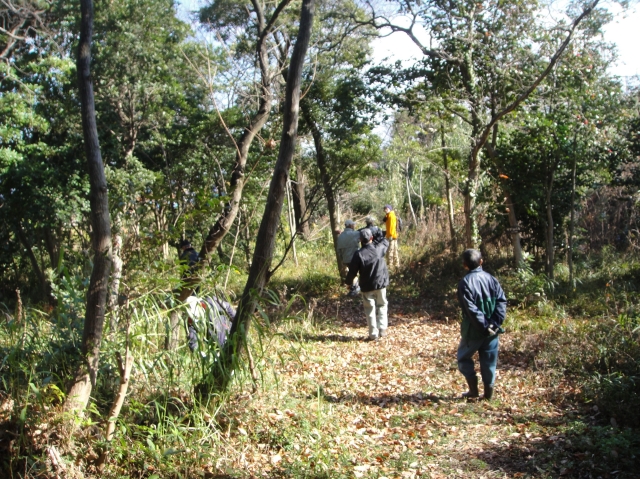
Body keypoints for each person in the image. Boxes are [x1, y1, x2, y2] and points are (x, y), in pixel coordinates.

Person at [456, 249, 507, 400]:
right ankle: (488, 394)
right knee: (489, 360)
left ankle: (474, 391)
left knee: (463, 358)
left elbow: (470, 309)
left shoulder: (465, 283)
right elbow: (502, 302)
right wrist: (494, 324)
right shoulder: (492, 279)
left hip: (473, 331)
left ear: (465, 265)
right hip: (491, 332)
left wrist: (486, 326)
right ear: (481, 262)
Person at [345, 228, 390, 341]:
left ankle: (373, 334)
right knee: (382, 305)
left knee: (369, 309)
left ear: (360, 240)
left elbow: (352, 272)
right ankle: (382, 328)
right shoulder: (379, 249)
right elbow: (385, 241)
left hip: (366, 286)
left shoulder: (358, 254)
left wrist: (348, 283)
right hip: (380, 284)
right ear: (371, 238)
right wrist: (378, 233)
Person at [336, 219, 361, 294]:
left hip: (346, 259)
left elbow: (339, 250)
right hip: (355, 258)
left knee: (351, 272)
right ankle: (354, 289)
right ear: (350, 225)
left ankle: (352, 287)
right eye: (353, 225)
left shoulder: (340, 236)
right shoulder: (355, 234)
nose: (354, 226)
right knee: (354, 273)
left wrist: (342, 259)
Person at [383, 205, 400, 270]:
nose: (385, 210)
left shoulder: (391, 216)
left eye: (386, 208)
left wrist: (390, 235)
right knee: (395, 251)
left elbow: (392, 227)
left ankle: (390, 267)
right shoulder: (389, 215)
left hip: (391, 236)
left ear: (390, 209)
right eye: (384, 209)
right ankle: (397, 265)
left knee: (390, 251)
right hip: (393, 236)